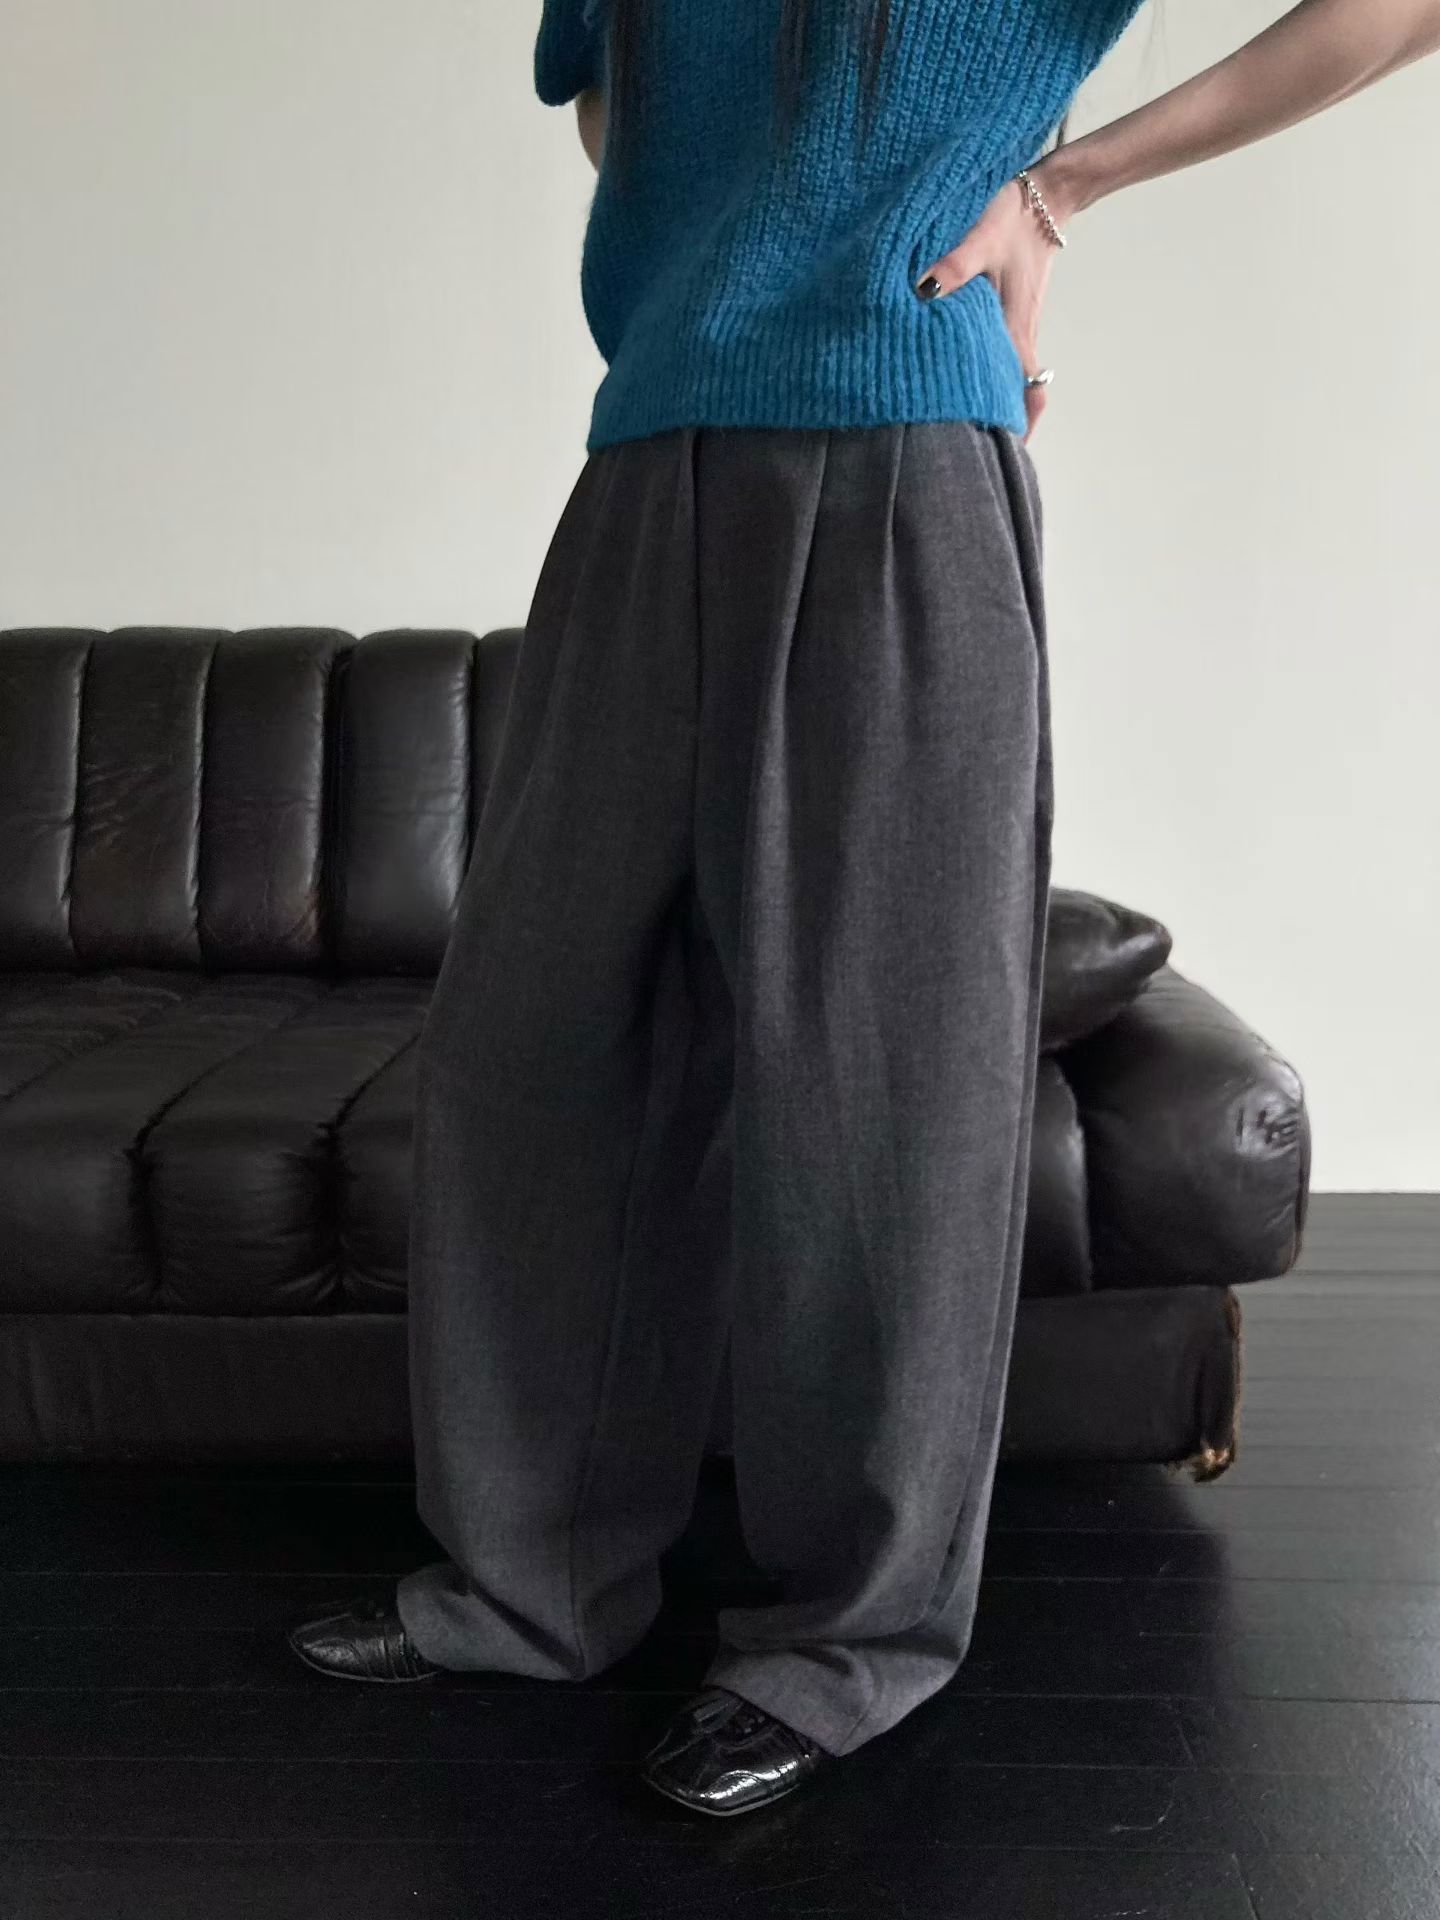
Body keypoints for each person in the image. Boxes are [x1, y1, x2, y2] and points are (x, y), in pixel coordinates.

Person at [290, 0, 1439, 1819]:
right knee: (538, 1051)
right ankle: (533, 1581)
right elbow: (617, 108)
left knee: (876, 1084)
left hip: (899, 455)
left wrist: (1054, 189)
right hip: (645, 454)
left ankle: (846, 1642)